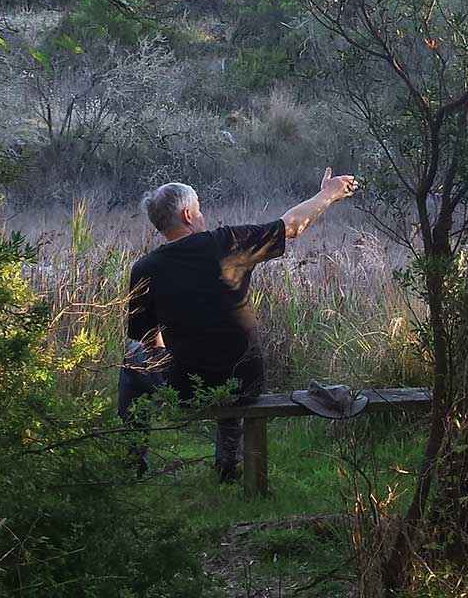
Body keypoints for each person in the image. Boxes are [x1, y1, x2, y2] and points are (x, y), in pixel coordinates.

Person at [121, 168, 360, 481]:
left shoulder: (145, 268)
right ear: (189, 214)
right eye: (200, 209)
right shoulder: (227, 244)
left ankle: (133, 463)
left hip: (186, 387)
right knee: (227, 360)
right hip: (246, 382)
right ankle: (227, 465)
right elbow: (291, 226)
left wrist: (174, 355)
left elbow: (146, 339)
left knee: (132, 363)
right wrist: (328, 194)